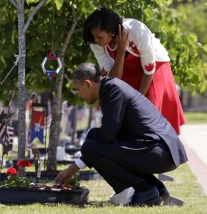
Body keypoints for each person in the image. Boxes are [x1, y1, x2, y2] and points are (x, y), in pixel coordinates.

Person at [55, 63, 188, 206]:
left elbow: (107, 135)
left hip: (160, 151)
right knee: (94, 145)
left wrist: (90, 133)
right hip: (158, 149)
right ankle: (155, 188)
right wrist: (73, 168)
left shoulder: (112, 90)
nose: (79, 95)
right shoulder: (110, 88)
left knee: (91, 145)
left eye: (78, 90)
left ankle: (144, 192)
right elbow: (106, 142)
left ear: (88, 84)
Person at [83, 7, 185, 135]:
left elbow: (149, 70)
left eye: (99, 37)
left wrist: (138, 101)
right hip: (124, 71)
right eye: (94, 36)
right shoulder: (96, 42)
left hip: (154, 69)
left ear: (111, 33)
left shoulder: (137, 31)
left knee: (147, 115)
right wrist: (120, 52)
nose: (96, 40)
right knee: (127, 119)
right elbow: (114, 79)